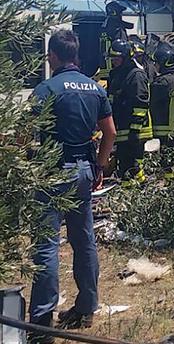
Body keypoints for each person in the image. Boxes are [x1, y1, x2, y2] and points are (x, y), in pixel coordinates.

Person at [29, 30, 116, 343]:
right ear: (75, 55)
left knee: (47, 245)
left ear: (52, 56)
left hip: (53, 172)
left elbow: (27, 134)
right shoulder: (94, 89)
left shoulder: (46, 89)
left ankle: (40, 325)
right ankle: (86, 307)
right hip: (83, 172)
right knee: (84, 239)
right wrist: (99, 167)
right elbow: (110, 133)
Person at [107, 38, 153, 182]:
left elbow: (141, 104)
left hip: (135, 130)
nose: (114, 61)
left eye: (117, 58)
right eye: (112, 58)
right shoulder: (116, 75)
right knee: (124, 165)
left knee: (132, 165)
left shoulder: (136, 75)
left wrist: (134, 131)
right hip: (122, 128)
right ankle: (132, 188)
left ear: (125, 57)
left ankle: (140, 186)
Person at [150, 43, 174, 149]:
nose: (154, 66)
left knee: (166, 164)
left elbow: (150, 103)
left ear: (163, 63)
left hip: (165, 133)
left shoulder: (162, 82)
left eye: (156, 63)